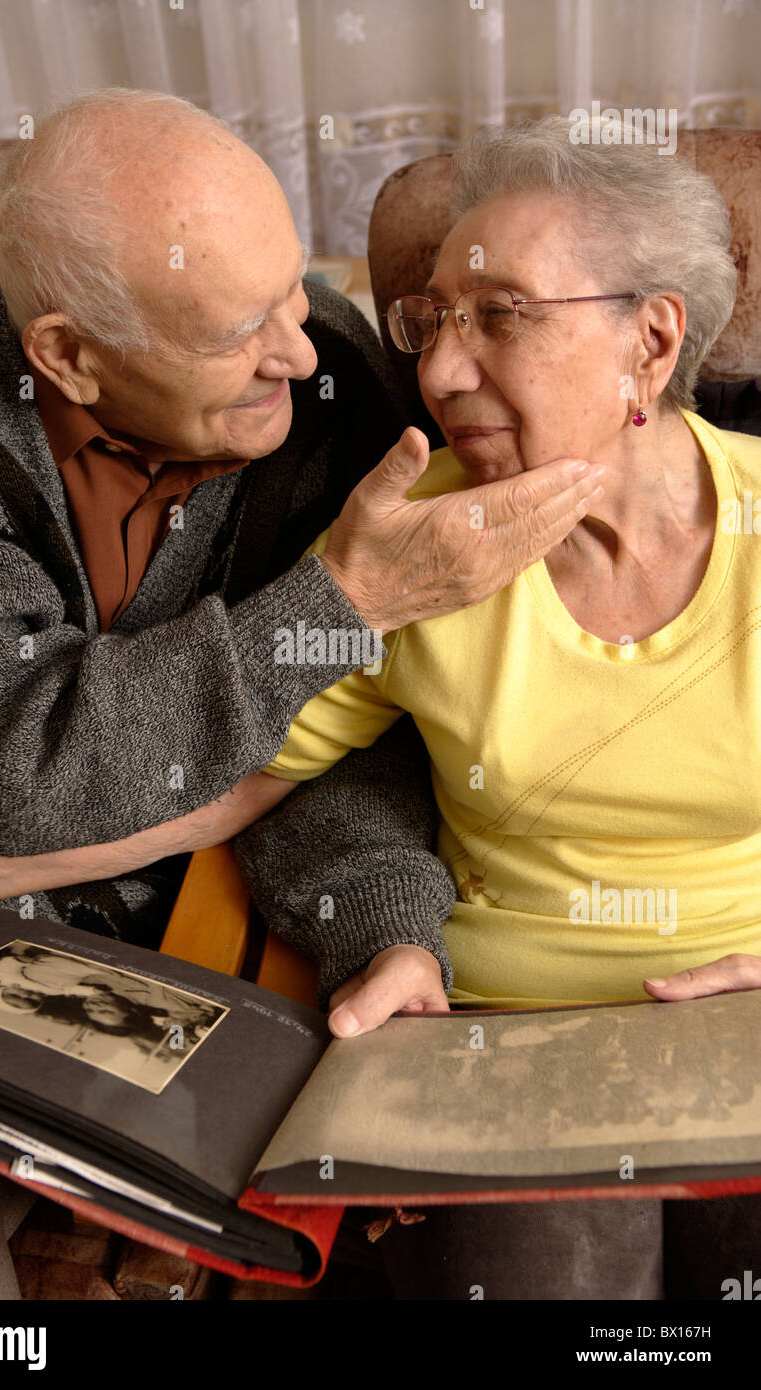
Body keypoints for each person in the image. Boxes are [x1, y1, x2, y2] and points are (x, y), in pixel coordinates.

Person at [0, 88, 595, 1299]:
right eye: (236, 329)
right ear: (66, 353)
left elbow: (348, 745)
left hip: (196, 961)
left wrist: (377, 925)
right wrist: (335, 610)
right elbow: (18, 762)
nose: (304, 347)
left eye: (290, 286)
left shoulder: (329, 394)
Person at [228, 115, 761, 1298]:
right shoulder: (416, 546)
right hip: (497, 1033)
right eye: (428, 322)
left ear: (650, 341)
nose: (438, 370)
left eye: (501, 316)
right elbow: (226, 768)